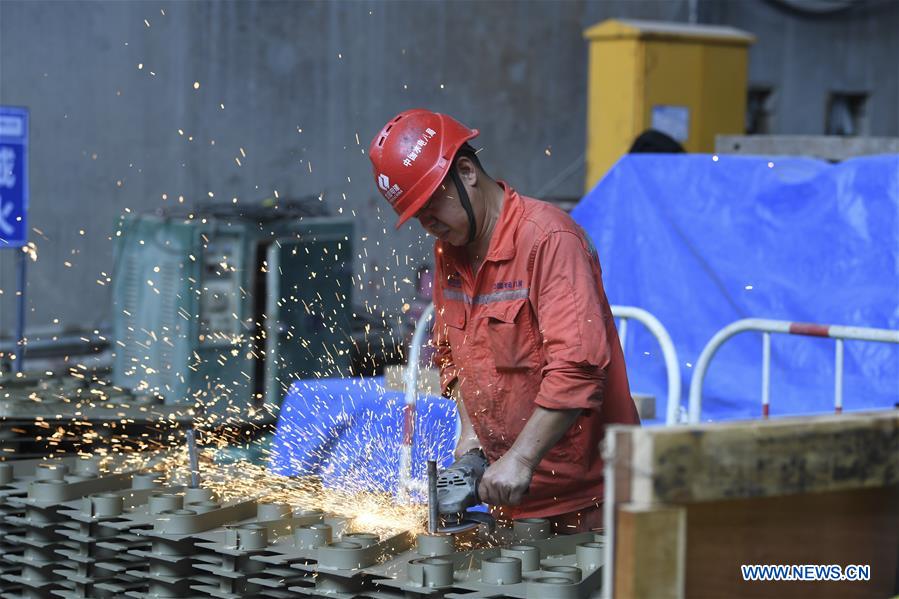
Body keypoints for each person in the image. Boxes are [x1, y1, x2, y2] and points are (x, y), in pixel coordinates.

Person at [368, 109, 640, 533]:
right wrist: (472, 437)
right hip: (510, 497)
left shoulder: (549, 240)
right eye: (417, 216)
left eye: (430, 205)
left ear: (466, 172)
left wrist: (522, 458)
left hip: (588, 501)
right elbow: (454, 357)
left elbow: (579, 369)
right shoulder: (449, 255)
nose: (428, 225)